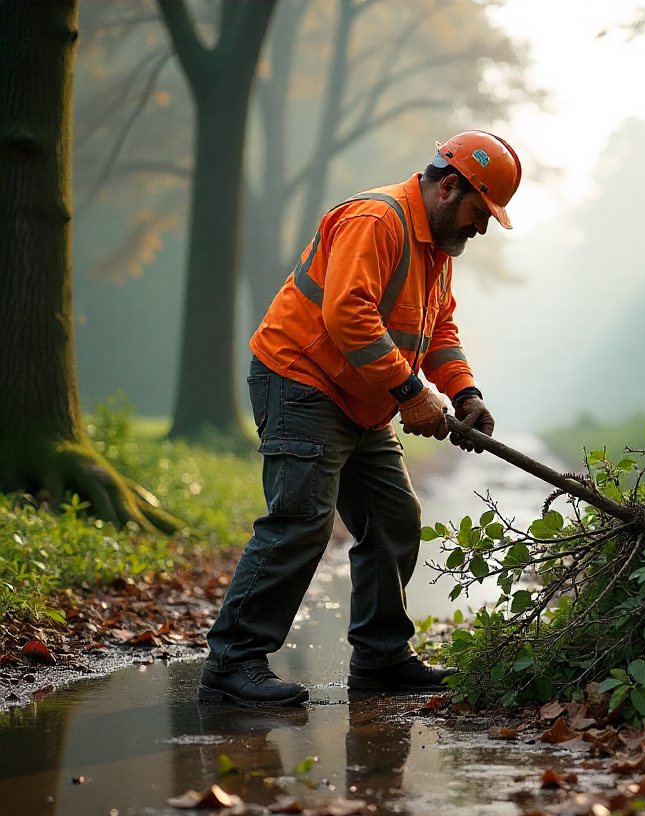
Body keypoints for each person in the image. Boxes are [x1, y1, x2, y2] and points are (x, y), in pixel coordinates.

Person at [198, 131, 520, 708]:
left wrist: (463, 392)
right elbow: (348, 314)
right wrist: (410, 393)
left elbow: (437, 330)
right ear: (450, 187)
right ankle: (232, 663)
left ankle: (381, 658)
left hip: (362, 395)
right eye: (480, 213)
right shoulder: (377, 219)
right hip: (302, 381)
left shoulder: (434, 250)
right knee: (301, 520)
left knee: (394, 518)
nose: (481, 228)